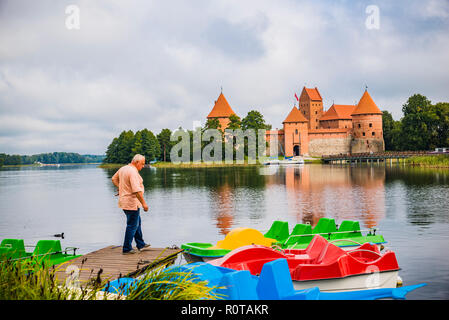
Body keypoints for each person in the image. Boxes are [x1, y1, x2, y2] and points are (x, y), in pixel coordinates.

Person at [111, 154, 151, 254]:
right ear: (136, 162)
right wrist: (144, 203)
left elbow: (114, 179)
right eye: (142, 164)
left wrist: (121, 189)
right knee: (132, 225)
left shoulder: (124, 168)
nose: (142, 166)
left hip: (125, 201)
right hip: (131, 202)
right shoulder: (132, 171)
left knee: (137, 222)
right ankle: (127, 248)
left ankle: (140, 244)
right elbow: (136, 190)